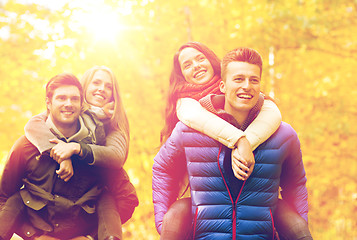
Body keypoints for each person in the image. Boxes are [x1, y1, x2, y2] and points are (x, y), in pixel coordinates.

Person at [153, 47, 312, 239]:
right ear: (222, 85)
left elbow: (295, 184)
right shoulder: (189, 130)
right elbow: (163, 168)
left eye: (253, 80)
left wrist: (298, 227)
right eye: (238, 79)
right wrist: (165, 223)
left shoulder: (284, 135)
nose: (246, 86)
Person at [0, 70, 138, 240]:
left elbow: (127, 198)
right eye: (61, 98)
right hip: (38, 232)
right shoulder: (26, 145)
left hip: (82, 232)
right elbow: (4, 197)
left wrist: (90, 236)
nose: (68, 104)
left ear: (82, 105)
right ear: (48, 103)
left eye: (74, 99)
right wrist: (32, 236)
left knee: (106, 197)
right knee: (16, 199)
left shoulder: (97, 149)